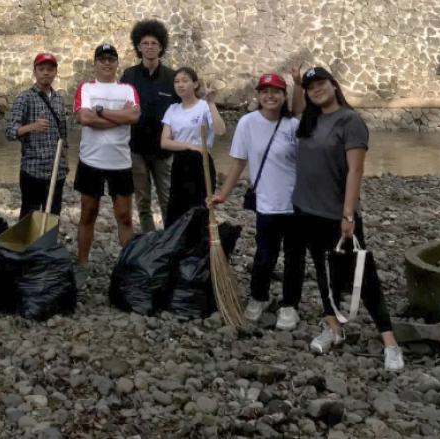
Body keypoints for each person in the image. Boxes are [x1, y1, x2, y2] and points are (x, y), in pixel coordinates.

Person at [292, 66, 404, 371]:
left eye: (321, 84)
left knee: (364, 276)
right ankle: (334, 328)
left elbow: (356, 170)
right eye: (310, 87)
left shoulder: (350, 121)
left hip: (336, 213)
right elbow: (296, 110)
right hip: (305, 209)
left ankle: (390, 342)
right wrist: (295, 84)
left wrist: (348, 214)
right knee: (323, 272)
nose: (316, 90)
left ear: (334, 85)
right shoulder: (310, 120)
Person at [208, 71, 305, 330]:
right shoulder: (247, 123)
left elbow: (309, 159)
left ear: (284, 96)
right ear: (258, 96)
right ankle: (258, 297)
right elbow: (239, 162)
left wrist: (298, 84)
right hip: (266, 201)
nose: (270, 96)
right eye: (265, 91)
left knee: (295, 256)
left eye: (276, 91)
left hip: (296, 202)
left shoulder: (294, 126)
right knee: (264, 254)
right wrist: (223, 193)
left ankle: (289, 305)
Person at [73, 43, 141, 290]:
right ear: (95, 63)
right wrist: (117, 118)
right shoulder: (86, 88)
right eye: (102, 59)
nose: (107, 63)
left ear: (116, 63)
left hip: (120, 163)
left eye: (111, 59)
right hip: (91, 161)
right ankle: (82, 264)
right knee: (88, 213)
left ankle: (129, 267)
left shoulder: (128, 90)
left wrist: (101, 113)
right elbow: (84, 118)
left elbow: (133, 117)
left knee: (124, 216)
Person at [120, 19, 180, 233]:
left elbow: (182, 112)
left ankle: (171, 239)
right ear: (138, 46)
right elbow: (121, 109)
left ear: (161, 46)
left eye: (154, 43)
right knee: (143, 201)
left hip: (164, 151)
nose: (149, 47)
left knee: (167, 200)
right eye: (145, 43)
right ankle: (148, 240)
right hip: (136, 149)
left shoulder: (172, 78)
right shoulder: (129, 76)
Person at [5, 53, 68, 220]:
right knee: (29, 216)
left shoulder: (59, 99)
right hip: (33, 170)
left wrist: (65, 163)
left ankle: (47, 245)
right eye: (41, 69)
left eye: (50, 69)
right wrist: (32, 127)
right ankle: (28, 246)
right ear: (34, 72)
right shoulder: (24, 98)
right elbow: (10, 132)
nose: (45, 73)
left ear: (55, 72)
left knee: (53, 215)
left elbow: (63, 136)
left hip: (56, 171)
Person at [160, 67, 225, 225]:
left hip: (201, 162)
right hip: (180, 162)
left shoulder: (203, 106)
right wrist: (189, 146)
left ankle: (202, 246)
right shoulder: (173, 109)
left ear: (195, 84)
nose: (180, 85)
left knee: (200, 208)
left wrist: (211, 104)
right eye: (176, 81)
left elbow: (220, 131)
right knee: (176, 210)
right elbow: (165, 142)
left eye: (185, 81)